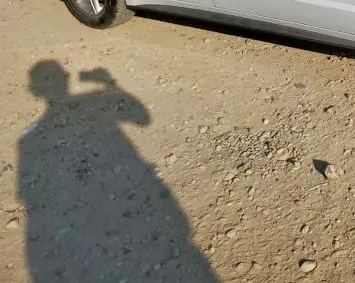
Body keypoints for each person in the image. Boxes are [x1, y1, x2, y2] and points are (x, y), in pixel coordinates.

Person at [18, 61, 219, 283]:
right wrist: (110, 86)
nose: (65, 77)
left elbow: (33, 199)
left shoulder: (30, 140)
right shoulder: (34, 138)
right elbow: (142, 117)